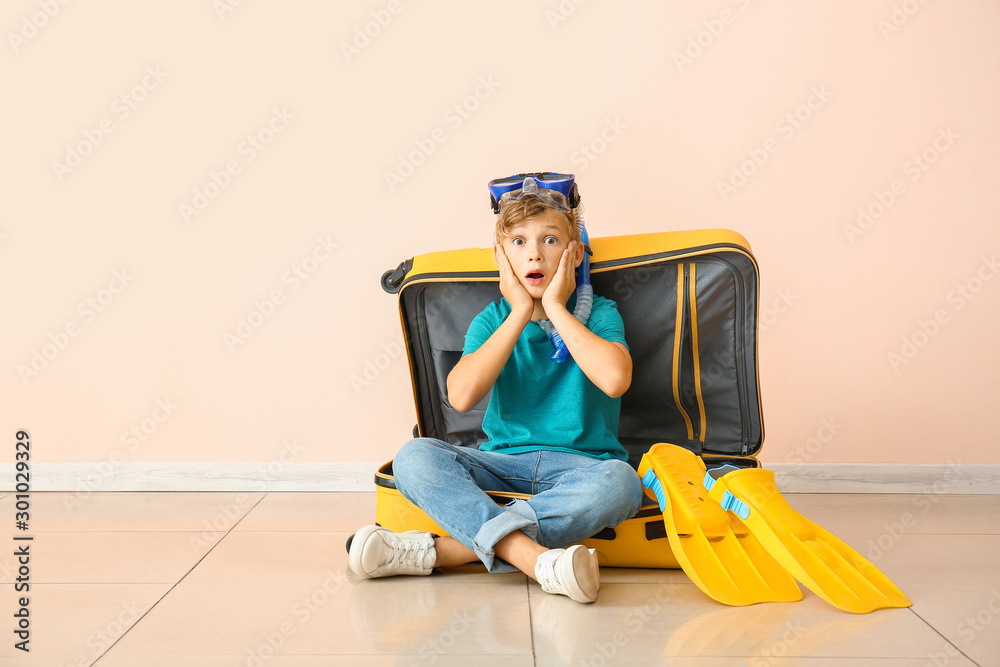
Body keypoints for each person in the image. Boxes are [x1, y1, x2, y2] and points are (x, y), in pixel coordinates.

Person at [348, 174, 643, 603]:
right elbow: (462, 396)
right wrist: (520, 312)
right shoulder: (493, 319)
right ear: (501, 257)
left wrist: (558, 308)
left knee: (623, 483)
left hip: (583, 467)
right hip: (502, 465)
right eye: (519, 242)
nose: (535, 253)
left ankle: (439, 554)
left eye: (550, 240)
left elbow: (615, 380)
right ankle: (536, 560)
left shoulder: (599, 313)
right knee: (414, 456)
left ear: (574, 252)